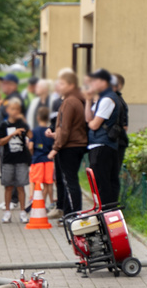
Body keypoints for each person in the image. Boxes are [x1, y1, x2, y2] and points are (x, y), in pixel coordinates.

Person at [46, 71, 88, 218]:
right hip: (74, 145)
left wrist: (55, 148)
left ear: (71, 85)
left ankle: (73, 215)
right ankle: (70, 214)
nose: (59, 85)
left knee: (69, 181)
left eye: (62, 83)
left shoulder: (70, 101)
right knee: (69, 180)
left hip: (70, 147)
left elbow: (65, 128)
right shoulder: (74, 100)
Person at [84, 68, 122, 205]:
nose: (91, 85)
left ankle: (106, 214)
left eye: (94, 81)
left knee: (103, 182)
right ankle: (104, 213)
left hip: (103, 145)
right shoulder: (101, 99)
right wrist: (88, 101)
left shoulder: (108, 99)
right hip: (98, 145)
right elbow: (88, 119)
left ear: (103, 82)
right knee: (99, 182)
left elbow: (93, 125)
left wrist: (92, 123)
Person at [0, 100, 32, 224]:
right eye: (13, 109)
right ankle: (7, 212)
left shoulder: (22, 123)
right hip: (8, 160)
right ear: (8, 111)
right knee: (8, 187)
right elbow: (1, 142)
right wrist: (13, 134)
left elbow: (31, 136)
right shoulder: (4, 125)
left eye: (17, 109)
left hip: (21, 160)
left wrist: (25, 123)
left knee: (21, 186)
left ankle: (23, 212)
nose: (15, 111)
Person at [29, 106, 55, 210]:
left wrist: (33, 154)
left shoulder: (34, 131)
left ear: (38, 117)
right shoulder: (50, 131)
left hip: (37, 160)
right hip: (49, 160)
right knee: (48, 183)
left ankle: (35, 201)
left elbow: (30, 146)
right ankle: (45, 203)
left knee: (36, 182)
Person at [113, 73, 130, 177]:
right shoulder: (119, 100)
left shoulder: (115, 101)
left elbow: (124, 126)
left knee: (112, 175)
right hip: (118, 141)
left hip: (116, 142)